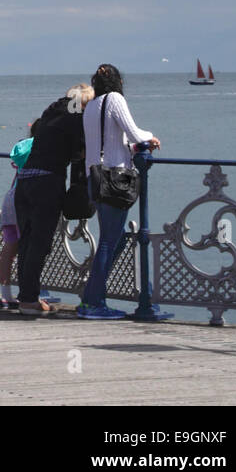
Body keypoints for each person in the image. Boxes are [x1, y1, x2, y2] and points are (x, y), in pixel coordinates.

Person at [79, 64, 159, 320]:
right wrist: (152, 138)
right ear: (118, 82)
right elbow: (135, 134)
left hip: (95, 178)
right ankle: (94, 302)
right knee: (108, 242)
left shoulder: (91, 106)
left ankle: (90, 298)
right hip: (115, 178)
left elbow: (110, 139)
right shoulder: (115, 99)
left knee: (110, 239)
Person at [14, 83, 94, 316]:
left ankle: (26, 297)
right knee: (40, 242)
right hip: (47, 182)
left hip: (25, 179)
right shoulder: (78, 116)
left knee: (27, 241)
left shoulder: (52, 110)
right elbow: (82, 148)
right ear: (85, 102)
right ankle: (29, 300)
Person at [0, 136, 32, 310]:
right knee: (28, 248)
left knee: (9, 249)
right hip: (24, 201)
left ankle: (5, 294)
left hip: (10, 199)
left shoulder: (21, 157)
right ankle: (29, 292)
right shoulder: (38, 151)